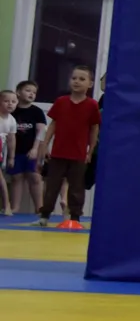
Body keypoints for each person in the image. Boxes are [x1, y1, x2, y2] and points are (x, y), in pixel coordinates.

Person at [36, 65, 100, 228]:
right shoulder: (61, 101)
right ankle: (45, 215)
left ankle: (75, 217)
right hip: (58, 152)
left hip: (79, 154)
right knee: (52, 185)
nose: (77, 81)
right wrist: (45, 145)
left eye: (82, 79)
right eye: (74, 78)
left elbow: (94, 129)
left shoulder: (92, 105)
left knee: (77, 187)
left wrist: (90, 151)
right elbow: (53, 124)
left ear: (90, 84)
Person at [9, 81, 46, 215]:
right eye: (28, 90)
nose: (31, 94)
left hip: (31, 150)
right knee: (16, 177)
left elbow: (41, 131)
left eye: (34, 92)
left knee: (35, 177)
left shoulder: (36, 112)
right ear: (18, 92)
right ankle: (15, 207)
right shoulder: (12, 110)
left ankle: (39, 208)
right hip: (14, 151)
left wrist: (35, 149)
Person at [0, 89, 16, 215]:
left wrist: (11, 157)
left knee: (1, 178)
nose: (10, 104)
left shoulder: (11, 120)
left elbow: (11, 140)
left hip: (1, 151)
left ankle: (7, 205)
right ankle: (7, 205)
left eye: (13, 101)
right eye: (6, 101)